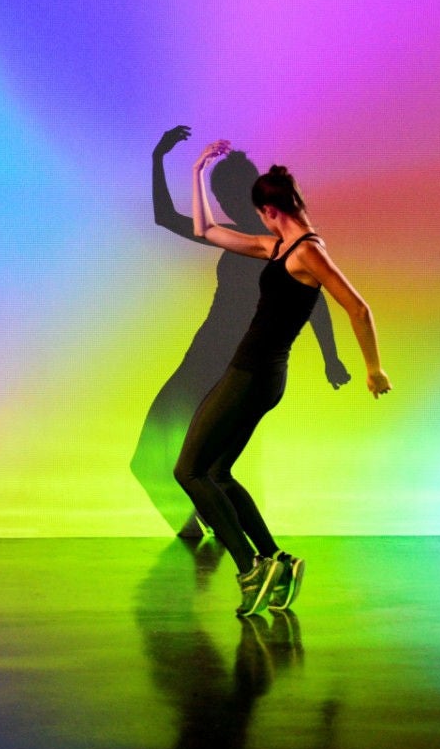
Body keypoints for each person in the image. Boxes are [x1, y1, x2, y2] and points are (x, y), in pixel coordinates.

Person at [173, 139, 390, 617]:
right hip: (263, 375)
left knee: (187, 471)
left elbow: (358, 307)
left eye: (262, 214)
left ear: (271, 210)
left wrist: (373, 369)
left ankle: (250, 569)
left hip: (252, 373)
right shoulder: (279, 246)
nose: (261, 223)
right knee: (218, 473)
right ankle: (276, 561)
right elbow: (204, 229)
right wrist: (196, 171)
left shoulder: (307, 253)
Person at [132, 125, 351, 542]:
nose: (223, 202)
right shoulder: (255, 242)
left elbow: (317, 301)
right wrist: (161, 159)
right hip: (215, 358)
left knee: (191, 466)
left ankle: (231, 547)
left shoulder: (275, 247)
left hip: (231, 364)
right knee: (197, 466)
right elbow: (176, 220)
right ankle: (223, 539)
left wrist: (331, 356)